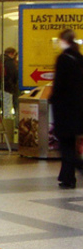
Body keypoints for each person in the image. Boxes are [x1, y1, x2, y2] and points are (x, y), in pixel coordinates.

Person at [49, 29, 83, 189]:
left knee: (66, 146)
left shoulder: (63, 59)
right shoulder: (79, 58)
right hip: (78, 110)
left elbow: (58, 86)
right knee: (70, 145)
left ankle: (73, 173)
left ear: (64, 40)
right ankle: (67, 178)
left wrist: (52, 100)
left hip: (64, 110)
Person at [0, 47, 19, 119]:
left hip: (3, 86)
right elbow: (14, 74)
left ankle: (5, 120)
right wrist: (14, 84)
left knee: (5, 105)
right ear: (11, 54)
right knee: (8, 105)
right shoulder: (9, 62)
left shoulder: (1, 60)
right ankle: (7, 123)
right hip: (9, 87)